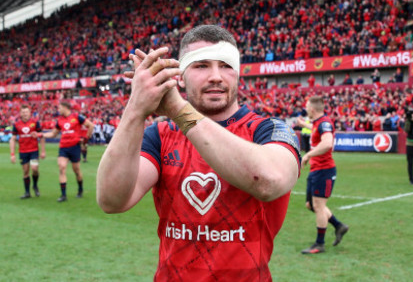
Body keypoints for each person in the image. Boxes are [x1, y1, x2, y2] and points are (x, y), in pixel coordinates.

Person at [96, 25, 300, 281]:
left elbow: (268, 180)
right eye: (201, 66)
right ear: (179, 77)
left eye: (226, 65)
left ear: (237, 74)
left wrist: (177, 109)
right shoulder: (160, 136)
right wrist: (136, 107)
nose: (216, 76)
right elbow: (111, 200)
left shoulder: (269, 129)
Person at [299, 95, 349, 254]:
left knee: (319, 206)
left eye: (307, 106)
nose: (306, 109)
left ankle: (319, 244)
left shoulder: (325, 123)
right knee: (311, 205)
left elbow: (327, 143)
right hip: (316, 170)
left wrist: (308, 155)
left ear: (312, 109)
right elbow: (315, 129)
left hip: (324, 170)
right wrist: (302, 124)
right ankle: (338, 225)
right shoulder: (317, 123)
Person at [43, 101, 94, 202]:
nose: (58, 110)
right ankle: (63, 195)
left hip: (75, 147)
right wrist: (41, 135)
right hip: (63, 148)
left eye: (59, 108)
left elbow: (91, 126)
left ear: (65, 108)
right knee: (62, 167)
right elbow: (53, 134)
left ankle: (80, 189)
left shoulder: (77, 117)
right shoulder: (59, 121)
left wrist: (85, 139)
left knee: (77, 171)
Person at [9, 104, 46, 199]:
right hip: (23, 151)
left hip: (34, 150)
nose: (25, 114)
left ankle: (35, 185)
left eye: (26, 112)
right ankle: (27, 192)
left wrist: (43, 151)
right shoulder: (17, 124)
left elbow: (41, 136)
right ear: (20, 114)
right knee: (25, 171)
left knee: (34, 169)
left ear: (30, 113)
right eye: (23, 112)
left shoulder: (35, 122)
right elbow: (13, 139)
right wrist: (12, 154)